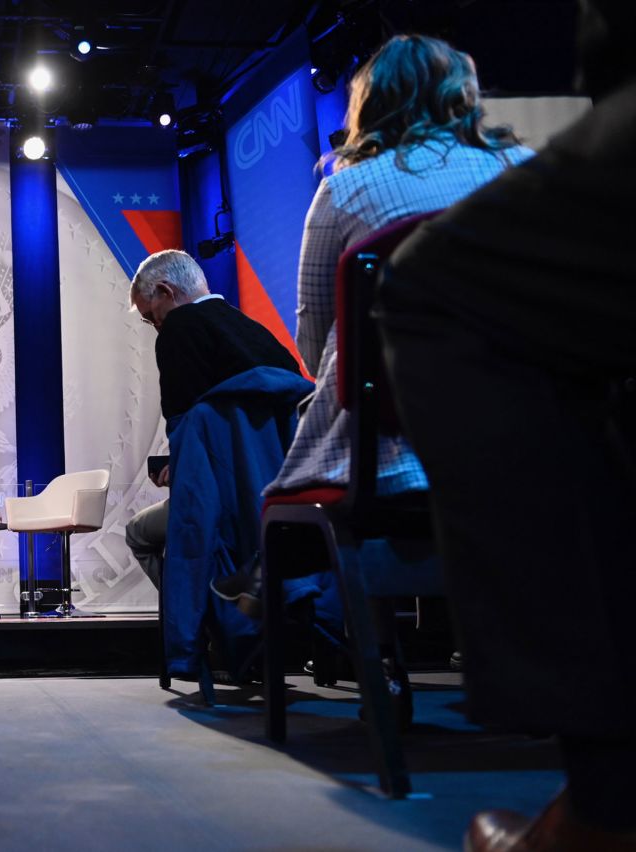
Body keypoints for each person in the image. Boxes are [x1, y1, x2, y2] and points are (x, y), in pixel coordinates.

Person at [377, 2, 636, 848]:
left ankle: (607, 800)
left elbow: (321, 350)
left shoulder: (345, 186)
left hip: (377, 454)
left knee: (432, 296)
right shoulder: (518, 160)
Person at [265, 34, 534, 500]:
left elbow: (315, 347)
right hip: (529, 434)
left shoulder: (343, 191)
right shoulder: (528, 173)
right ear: (462, 95)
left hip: (393, 459)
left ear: (369, 104)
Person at [126, 249, 302, 590]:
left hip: (223, 501)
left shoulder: (178, 330)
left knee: (138, 533)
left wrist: (176, 469)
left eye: (151, 317)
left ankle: (201, 619)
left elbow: (187, 429)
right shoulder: (258, 333)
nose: (155, 326)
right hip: (283, 498)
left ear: (166, 292)